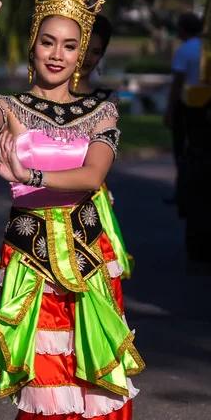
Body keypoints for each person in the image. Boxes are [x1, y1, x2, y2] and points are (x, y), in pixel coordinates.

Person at [0, 0, 144, 420]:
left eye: (70, 44)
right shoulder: (14, 107)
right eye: (47, 41)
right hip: (32, 254)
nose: (57, 54)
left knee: (93, 371)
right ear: (34, 43)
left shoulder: (101, 109)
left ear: (83, 51)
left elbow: (92, 178)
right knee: (46, 375)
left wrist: (30, 177)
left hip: (87, 249)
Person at [76, 15, 134, 280]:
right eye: (82, 48)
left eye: (96, 52)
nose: (87, 58)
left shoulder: (106, 100)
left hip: (91, 196)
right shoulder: (41, 98)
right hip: (48, 195)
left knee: (95, 274)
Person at [164, 12, 203, 205]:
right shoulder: (207, 48)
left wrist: (169, 111)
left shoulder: (184, 50)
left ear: (183, 28)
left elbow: (177, 84)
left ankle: (182, 192)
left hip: (186, 105)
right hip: (205, 105)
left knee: (181, 151)